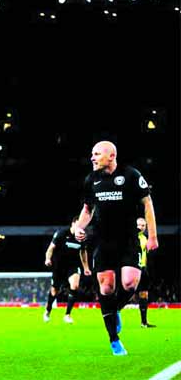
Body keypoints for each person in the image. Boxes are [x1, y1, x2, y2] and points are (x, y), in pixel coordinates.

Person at [74, 141, 159, 356]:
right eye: (91, 154)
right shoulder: (91, 180)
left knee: (130, 283)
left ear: (111, 156)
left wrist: (152, 236)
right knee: (106, 288)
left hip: (128, 239)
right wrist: (78, 228)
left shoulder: (130, 175)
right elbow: (87, 209)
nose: (92, 158)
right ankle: (114, 340)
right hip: (102, 241)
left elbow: (147, 203)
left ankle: (114, 310)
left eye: (97, 154)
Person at [43, 216, 92, 324]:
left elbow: (83, 252)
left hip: (73, 266)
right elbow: (51, 248)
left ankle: (67, 315)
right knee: (54, 291)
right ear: (73, 224)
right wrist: (47, 259)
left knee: (74, 286)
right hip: (59, 266)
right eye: (79, 225)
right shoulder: (62, 233)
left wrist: (86, 268)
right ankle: (47, 311)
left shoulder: (82, 237)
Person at [136, 217, 156, 328]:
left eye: (143, 225)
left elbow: (146, 255)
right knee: (125, 294)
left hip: (143, 269)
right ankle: (113, 317)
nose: (140, 227)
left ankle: (143, 322)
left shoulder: (145, 238)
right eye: (138, 225)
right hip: (132, 269)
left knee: (144, 294)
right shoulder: (130, 237)